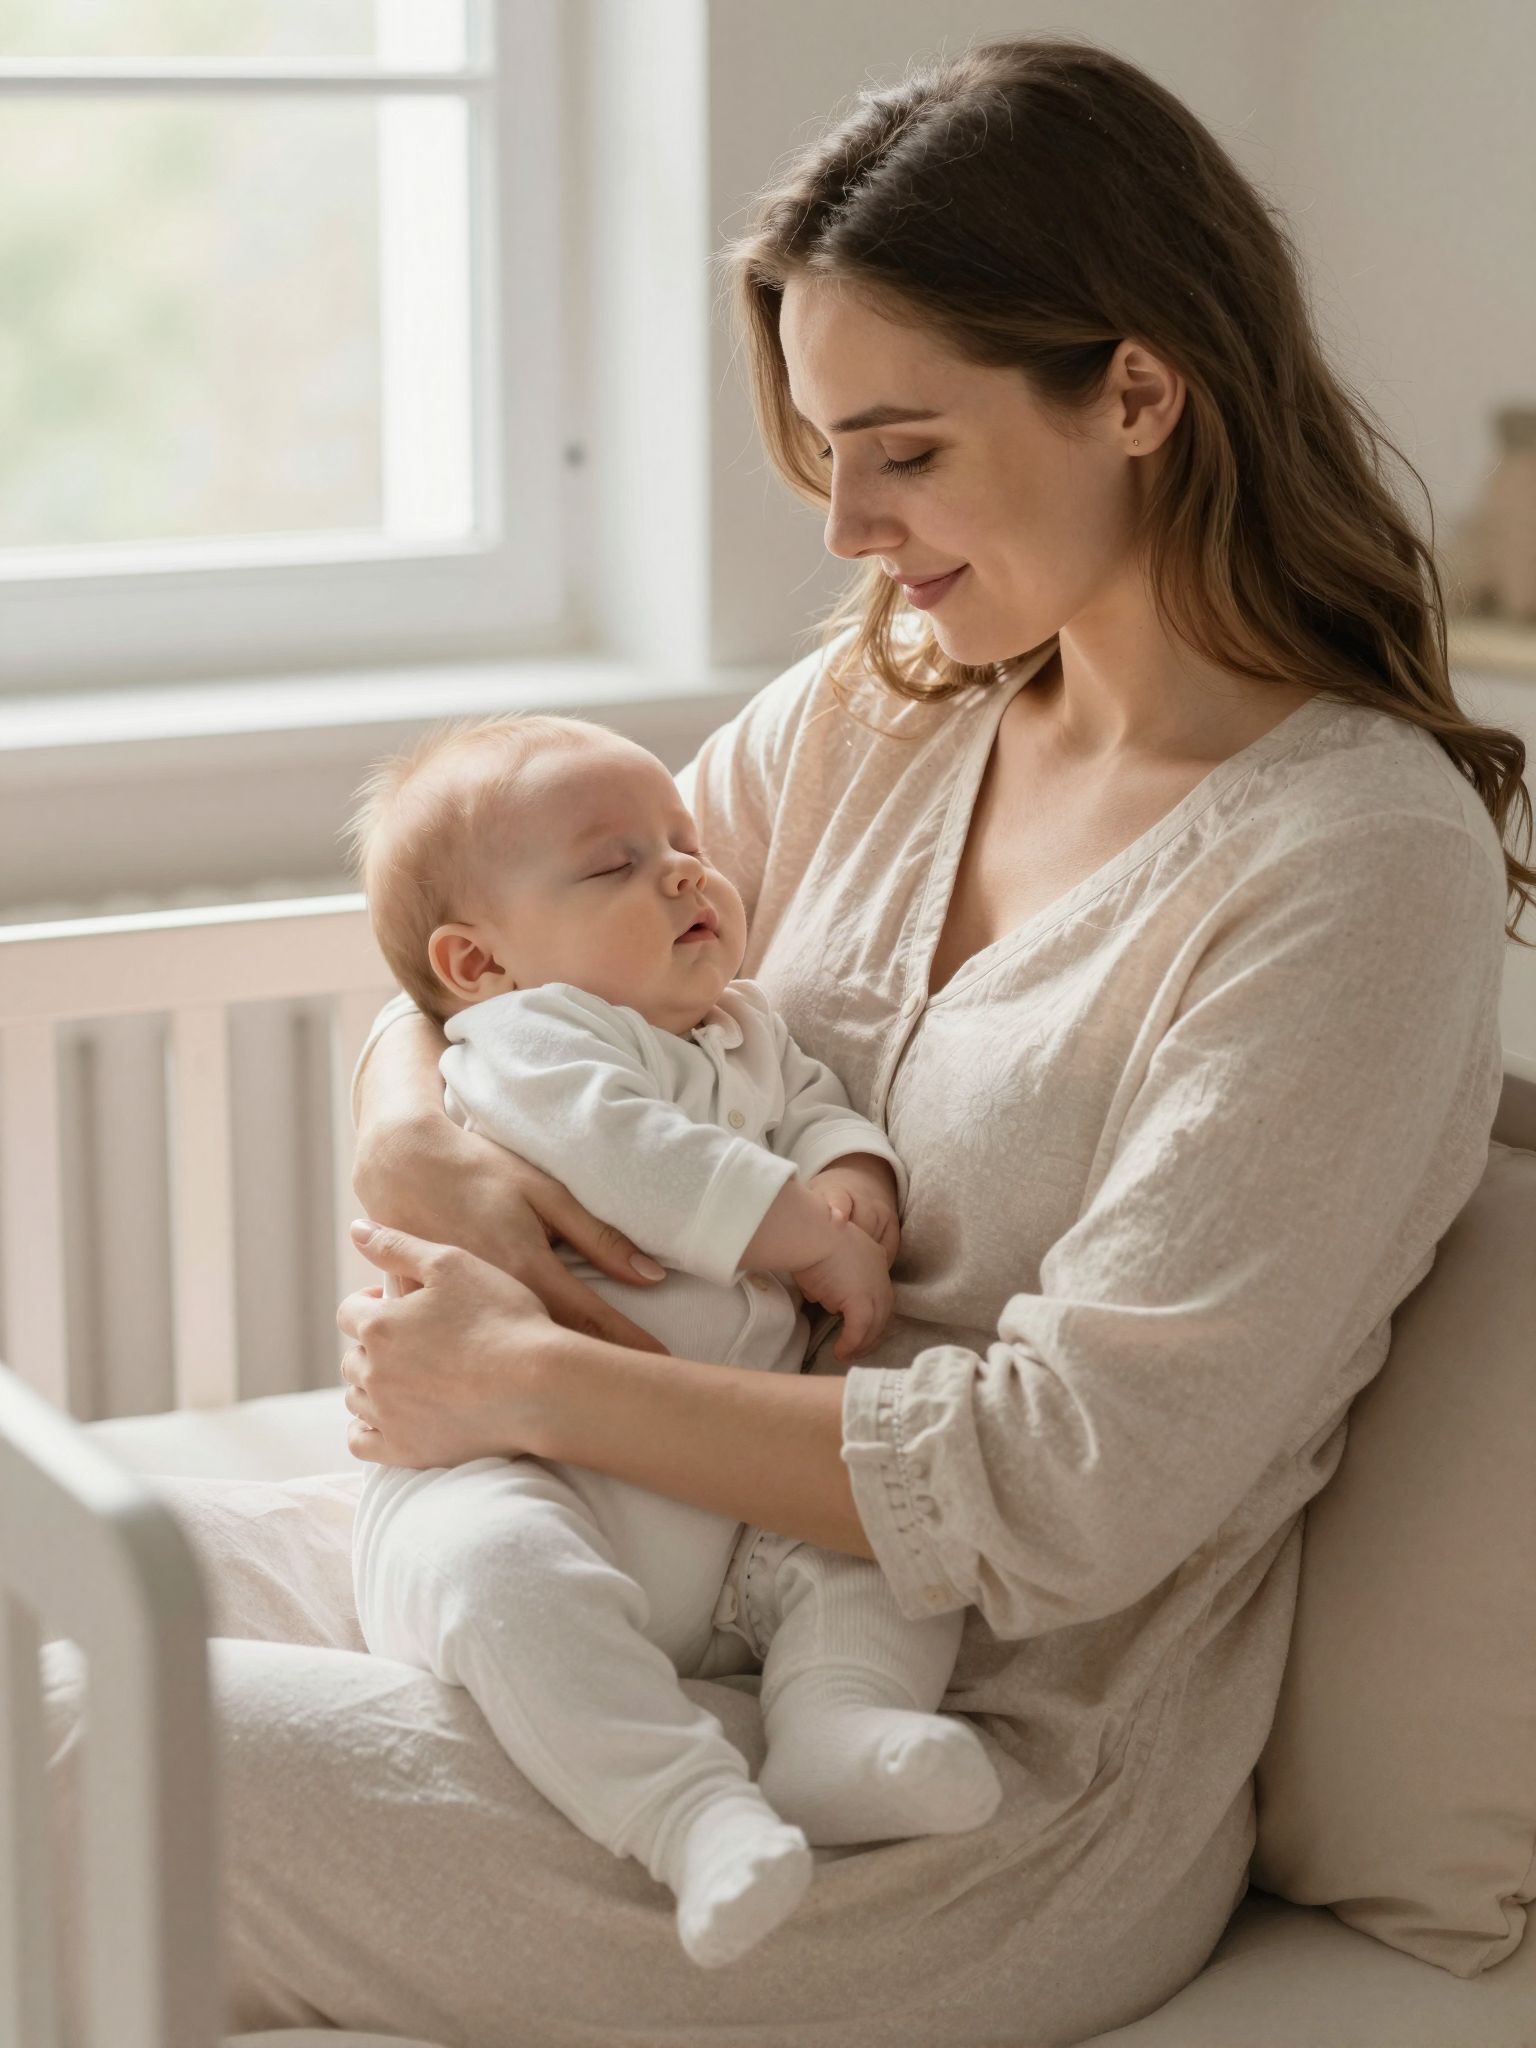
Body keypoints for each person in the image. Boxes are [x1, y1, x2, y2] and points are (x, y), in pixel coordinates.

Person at [44, 33, 1533, 2046]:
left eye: (903, 446)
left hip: (955, 1787)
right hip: (627, 1581)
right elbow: (493, 982)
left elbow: (1069, 1479)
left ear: (1140, 392)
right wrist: (418, 1147)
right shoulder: (895, 703)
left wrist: (529, 1376)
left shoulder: (1360, 869)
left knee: (62, 1751)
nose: (844, 521)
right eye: (827, 442)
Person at [341, 709, 1002, 1971]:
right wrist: (803, 1231)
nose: (683, 870)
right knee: (494, 1569)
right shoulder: (525, 1041)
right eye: (615, 865)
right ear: (478, 965)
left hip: (732, 1510)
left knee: (883, 1547)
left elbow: (813, 1106)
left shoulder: (743, 1028)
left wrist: (852, 1171)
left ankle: (836, 1725)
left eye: (685, 841)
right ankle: (689, 1812)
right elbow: (625, 1150)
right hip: (522, 1475)